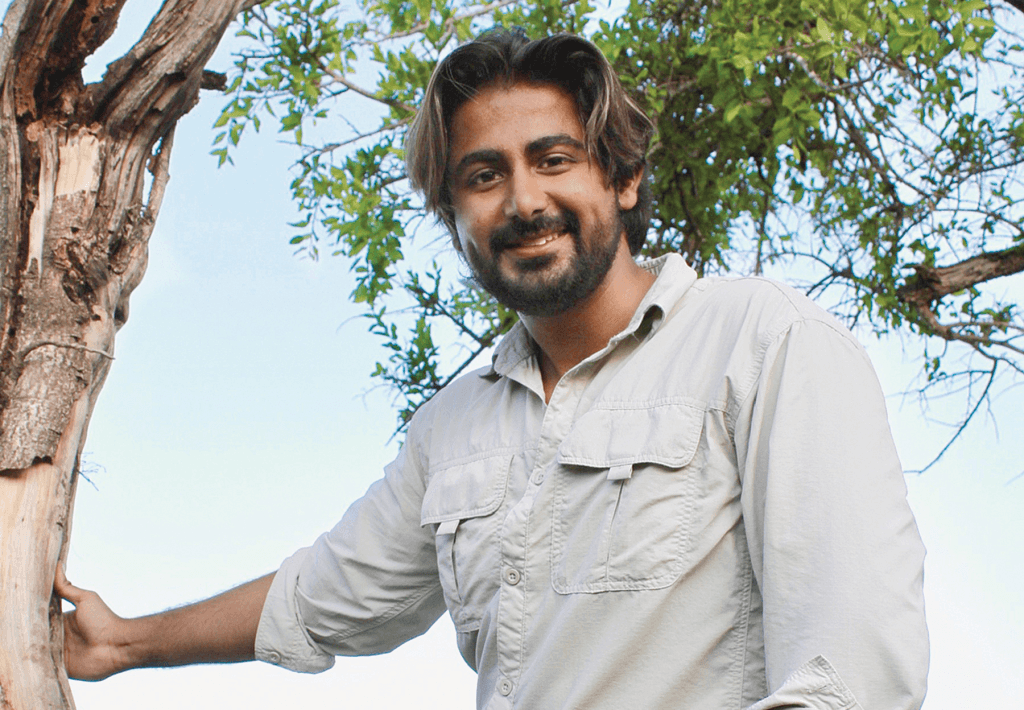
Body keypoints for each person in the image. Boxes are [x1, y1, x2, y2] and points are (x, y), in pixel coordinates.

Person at [55, 29, 929, 709]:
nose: (524, 200)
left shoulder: (765, 343)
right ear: (453, 216)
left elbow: (853, 678)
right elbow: (324, 593)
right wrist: (124, 642)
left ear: (623, 178)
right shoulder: (453, 428)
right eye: (483, 176)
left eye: (555, 159)